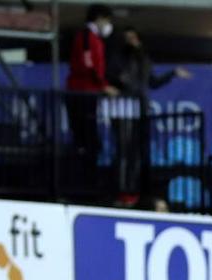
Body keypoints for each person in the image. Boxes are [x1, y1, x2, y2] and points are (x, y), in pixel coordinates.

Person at [109, 26, 191, 204]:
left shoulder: (144, 60)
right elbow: (112, 78)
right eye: (128, 39)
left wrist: (173, 73)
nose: (131, 42)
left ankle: (134, 191)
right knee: (123, 152)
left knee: (137, 154)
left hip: (140, 110)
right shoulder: (118, 59)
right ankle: (120, 191)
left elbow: (152, 82)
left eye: (134, 38)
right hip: (123, 108)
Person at [66, 4, 118, 173]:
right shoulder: (86, 37)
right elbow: (88, 65)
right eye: (107, 20)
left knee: (89, 135)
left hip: (88, 92)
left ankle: (87, 169)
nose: (108, 25)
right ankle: (84, 174)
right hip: (82, 92)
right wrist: (103, 86)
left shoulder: (93, 38)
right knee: (84, 135)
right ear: (99, 18)